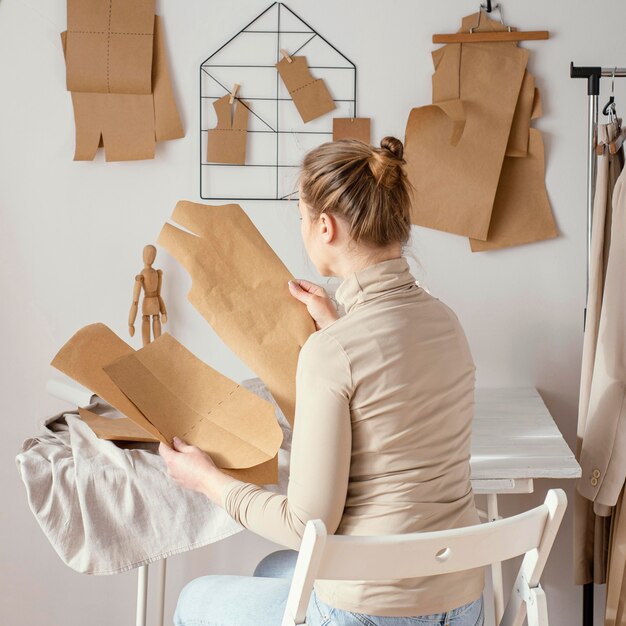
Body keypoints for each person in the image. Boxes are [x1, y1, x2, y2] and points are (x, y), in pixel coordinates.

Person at [159, 136, 485, 626]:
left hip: (375, 611)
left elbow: (306, 523)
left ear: (325, 226)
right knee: (273, 570)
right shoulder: (446, 322)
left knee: (192, 600)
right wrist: (336, 325)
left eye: (302, 219)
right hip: (460, 602)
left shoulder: (330, 354)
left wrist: (207, 480)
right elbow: (387, 392)